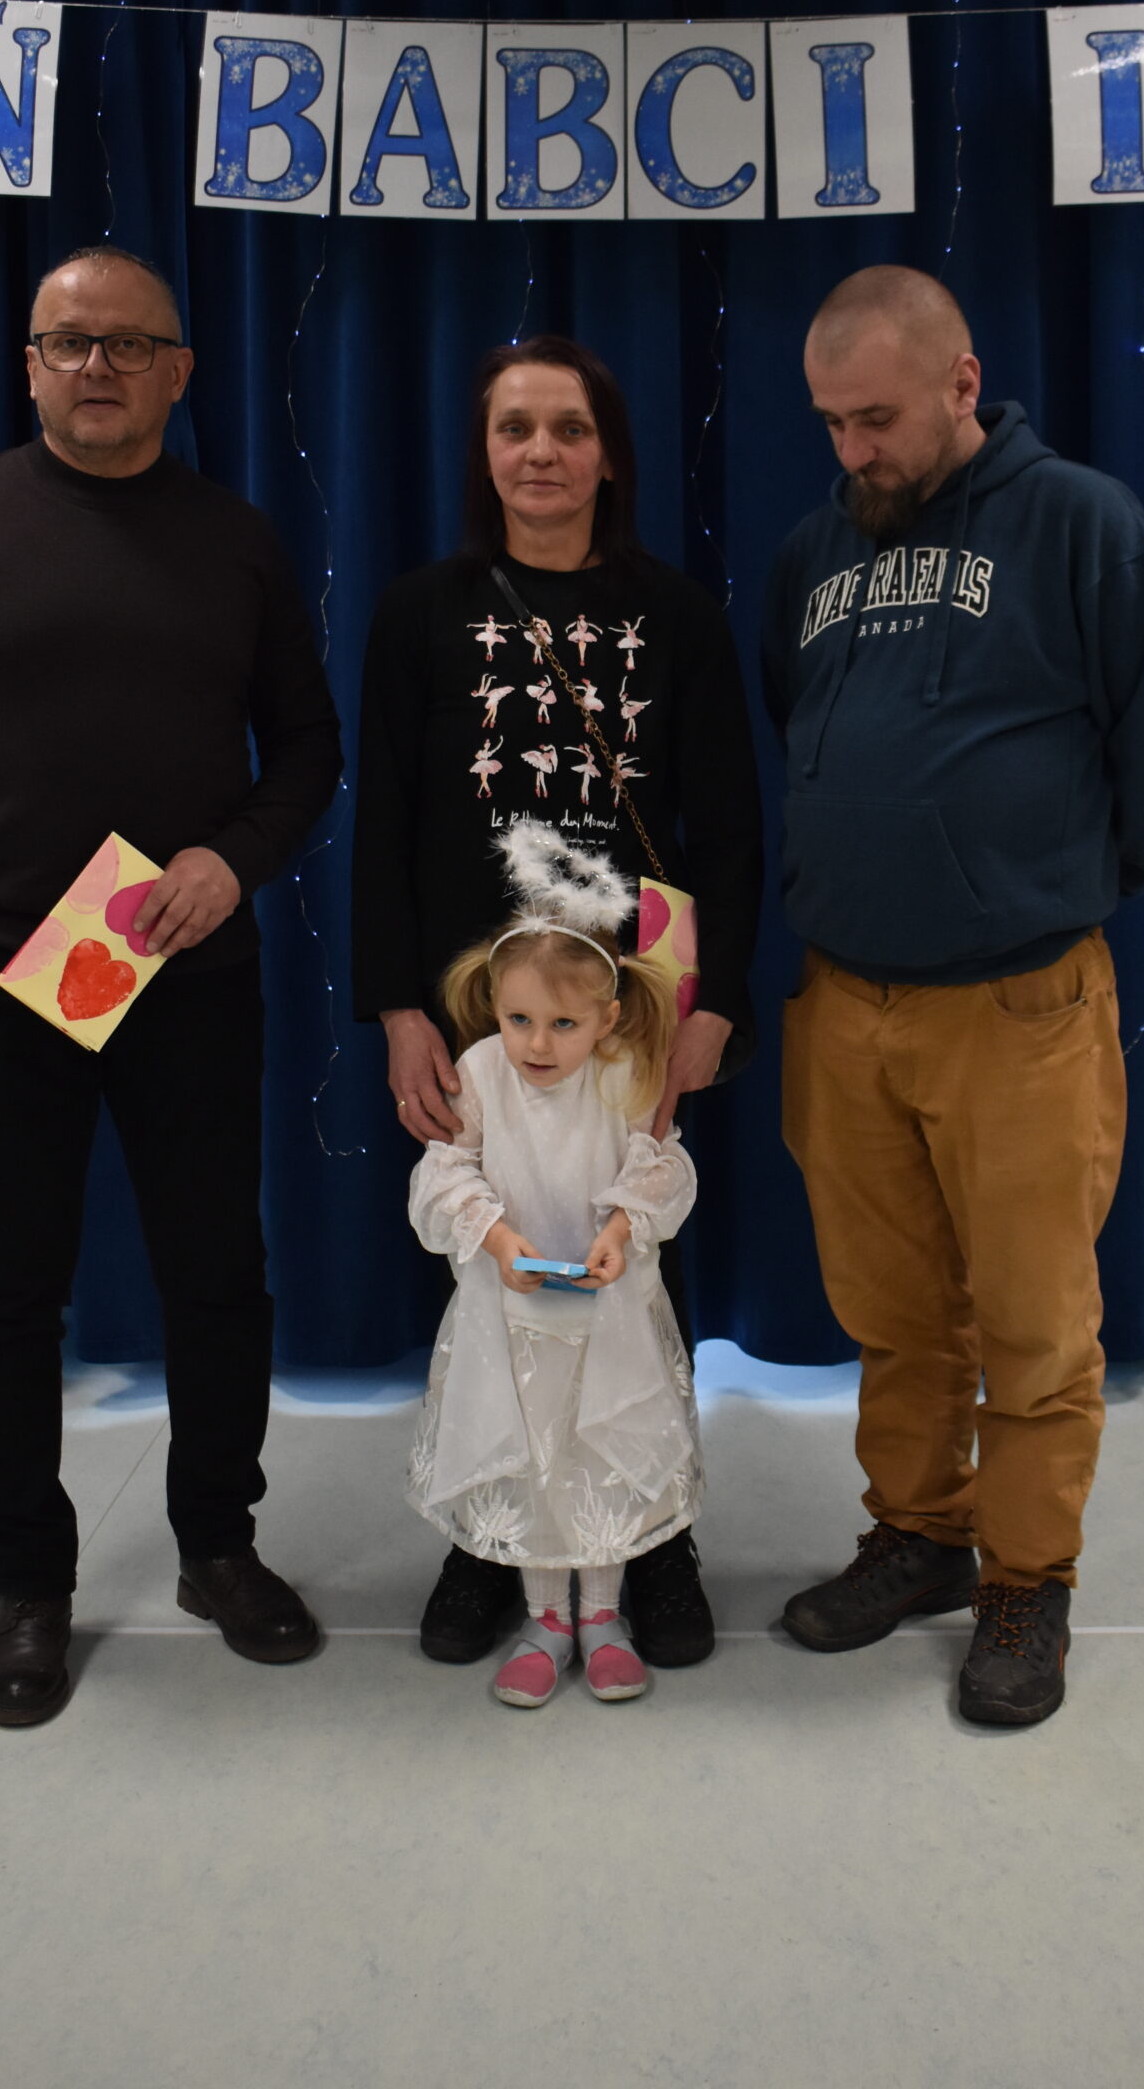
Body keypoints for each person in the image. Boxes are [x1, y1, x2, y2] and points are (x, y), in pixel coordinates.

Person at [0, 245, 343, 1728]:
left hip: (189, 971)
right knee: (5, 1290)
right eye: (69, 342)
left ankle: (218, 1545)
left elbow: (309, 747)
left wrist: (234, 858)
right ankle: (29, 1580)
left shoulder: (237, 540)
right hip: (6, 978)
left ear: (181, 371)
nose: (96, 365)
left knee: (217, 1277)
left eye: (127, 342)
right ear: (31, 366)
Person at [764, 265, 1144, 1728]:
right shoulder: (816, 552)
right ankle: (920, 1532)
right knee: (892, 1311)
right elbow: (793, 716)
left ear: (962, 384)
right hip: (846, 1005)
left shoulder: (1080, 523)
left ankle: (1027, 1578)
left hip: (1017, 1006)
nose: (853, 451)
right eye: (831, 424)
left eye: (877, 419)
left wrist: (1060, 878)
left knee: (1031, 1319)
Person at [352, 334, 761, 1671]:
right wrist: (399, 1009)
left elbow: (727, 825)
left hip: (626, 1011)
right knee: (491, 1271)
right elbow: (384, 822)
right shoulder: (418, 612)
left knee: (632, 1264)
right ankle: (493, 1539)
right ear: (483, 453)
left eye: (568, 429)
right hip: (481, 1013)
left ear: (609, 455)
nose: (540, 452)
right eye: (514, 428)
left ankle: (651, 1538)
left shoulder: (677, 616)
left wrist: (711, 1001)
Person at [407, 826, 702, 1708]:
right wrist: (500, 1241)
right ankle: (546, 1621)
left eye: (564, 1024)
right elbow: (446, 1172)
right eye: (519, 1019)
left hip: (608, 1318)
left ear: (607, 1019)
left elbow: (657, 1166)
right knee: (533, 1461)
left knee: (596, 1454)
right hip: (513, 1321)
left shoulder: (623, 1073)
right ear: (493, 1006)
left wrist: (620, 1227)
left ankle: (603, 1616)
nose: (537, 1043)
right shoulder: (481, 1072)